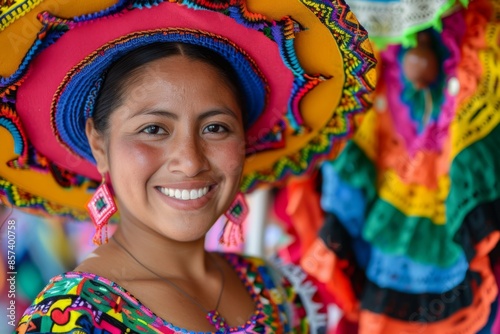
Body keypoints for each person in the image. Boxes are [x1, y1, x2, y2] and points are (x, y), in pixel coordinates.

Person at [1, 0, 377, 332]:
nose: (191, 161)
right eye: (153, 129)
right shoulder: (71, 318)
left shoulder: (274, 289)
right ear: (99, 144)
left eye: (215, 128)